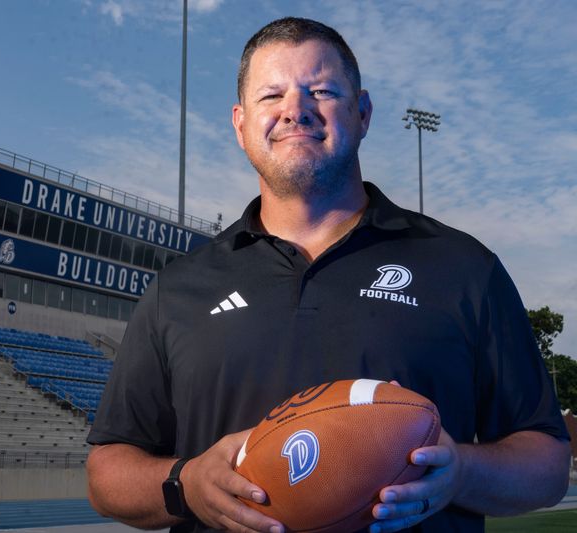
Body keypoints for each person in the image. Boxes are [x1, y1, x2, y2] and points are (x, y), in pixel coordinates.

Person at [85, 17, 571, 533]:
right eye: (271, 95)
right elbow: (106, 472)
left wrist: (460, 473)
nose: (295, 109)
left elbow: (546, 463)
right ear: (240, 123)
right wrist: (187, 484)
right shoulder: (179, 288)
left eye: (321, 90)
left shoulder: (463, 268)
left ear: (362, 113)